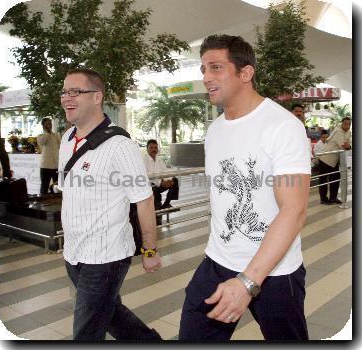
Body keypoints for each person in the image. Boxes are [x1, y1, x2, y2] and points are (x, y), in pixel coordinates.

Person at [179, 35, 310, 341]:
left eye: (215, 67)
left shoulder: (282, 126)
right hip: (218, 262)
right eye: (203, 69)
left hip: (275, 272)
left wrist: (248, 282)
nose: (206, 77)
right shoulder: (215, 130)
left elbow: (295, 210)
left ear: (246, 72)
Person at [58, 68, 162, 341]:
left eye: (75, 91)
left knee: (87, 331)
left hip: (106, 257)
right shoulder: (67, 140)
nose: (67, 97)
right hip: (74, 253)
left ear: (97, 97)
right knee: (111, 314)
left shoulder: (120, 146)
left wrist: (149, 250)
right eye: (64, 91)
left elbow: (144, 199)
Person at [317, 117, 351, 204]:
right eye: (345, 124)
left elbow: (349, 143)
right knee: (324, 180)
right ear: (341, 123)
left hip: (334, 160)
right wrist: (348, 146)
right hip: (325, 159)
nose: (347, 126)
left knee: (335, 179)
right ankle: (323, 199)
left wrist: (348, 145)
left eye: (349, 124)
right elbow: (343, 146)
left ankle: (333, 198)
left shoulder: (348, 132)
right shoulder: (338, 131)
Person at [143, 139, 179, 217]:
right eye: (151, 148)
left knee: (175, 181)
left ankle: (166, 204)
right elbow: (148, 176)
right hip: (149, 186)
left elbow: (165, 171)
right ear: (147, 149)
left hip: (159, 183)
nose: (153, 150)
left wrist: (169, 180)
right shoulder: (144, 160)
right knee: (154, 188)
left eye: (155, 148)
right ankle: (157, 213)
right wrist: (160, 183)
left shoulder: (159, 159)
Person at [37, 118, 60, 194]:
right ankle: (42, 204)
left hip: (56, 166)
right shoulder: (40, 136)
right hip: (46, 166)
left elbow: (60, 146)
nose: (49, 125)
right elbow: (42, 142)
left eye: (50, 123)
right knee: (44, 186)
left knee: (57, 186)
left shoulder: (56, 135)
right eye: (47, 124)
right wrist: (47, 133)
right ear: (43, 126)